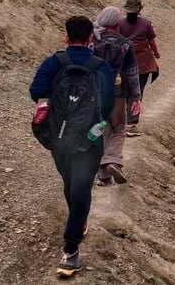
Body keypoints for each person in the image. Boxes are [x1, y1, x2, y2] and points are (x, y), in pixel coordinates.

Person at [29, 15, 115, 278]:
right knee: (80, 189)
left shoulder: (54, 62)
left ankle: (77, 222)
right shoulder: (101, 66)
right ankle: (70, 252)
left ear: (66, 37)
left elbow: (36, 91)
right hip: (89, 141)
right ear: (90, 39)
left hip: (58, 137)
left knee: (70, 184)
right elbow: (108, 105)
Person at [91, 6, 141, 185]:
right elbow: (132, 72)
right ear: (115, 22)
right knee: (118, 127)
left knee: (101, 128)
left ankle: (103, 176)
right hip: (118, 91)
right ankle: (114, 160)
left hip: (96, 91)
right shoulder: (125, 43)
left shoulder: (92, 41)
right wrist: (136, 97)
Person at [118, 0, 160, 135]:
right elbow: (152, 41)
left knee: (124, 91)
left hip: (124, 61)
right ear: (140, 10)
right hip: (142, 62)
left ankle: (120, 120)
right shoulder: (146, 23)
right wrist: (156, 53)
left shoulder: (119, 24)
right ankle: (131, 122)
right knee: (137, 91)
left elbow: (117, 42)